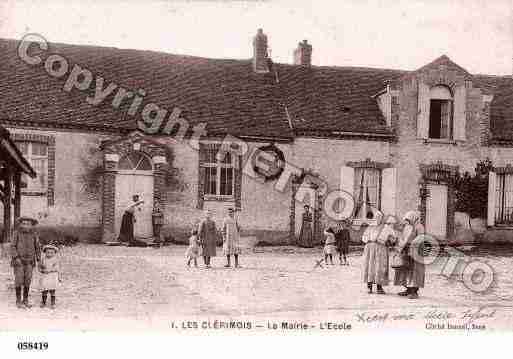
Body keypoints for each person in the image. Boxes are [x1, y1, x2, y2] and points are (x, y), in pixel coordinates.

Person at [393, 210, 426, 299]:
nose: (407, 221)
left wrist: (411, 244)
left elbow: (420, 239)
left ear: (413, 218)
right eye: (406, 219)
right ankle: (407, 289)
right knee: (405, 270)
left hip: (416, 251)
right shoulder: (407, 227)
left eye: (409, 219)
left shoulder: (419, 227)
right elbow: (403, 237)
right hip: (406, 250)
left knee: (415, 271)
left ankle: (414, 292)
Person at [361, 212, 396, 294]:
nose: (378, 218)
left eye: (380, 217)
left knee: (380, 267)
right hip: (370, 248)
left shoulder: (386, 227)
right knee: (370, 267)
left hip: (381, 248)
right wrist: (368, 240)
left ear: (382, 218)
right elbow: (363, 237)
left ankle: (379, 287)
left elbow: (393, 238)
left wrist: (388, 241)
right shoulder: (370, 227)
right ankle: (369, 287)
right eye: (376, 217)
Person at [11, 216, 41, 308]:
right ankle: (18, 300)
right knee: (19, 280)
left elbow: (37, 247)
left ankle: (25, 299)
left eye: (28, 224)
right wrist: (16, 257)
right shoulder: (16, 233)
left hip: (30, 261)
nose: (25, 225)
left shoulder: (34, 234)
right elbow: (13, 246)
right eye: (23, 223)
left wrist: (39, 259)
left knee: (28, 279)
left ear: (32, 225)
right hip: (19, 261)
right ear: (20, 224)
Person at [39, 244, 60, 309]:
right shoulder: (43, 259)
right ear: (45, 252)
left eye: (51, 253)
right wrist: (42, 269)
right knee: (44, 290)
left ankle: (53, 303)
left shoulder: (55, 260)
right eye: (48, 252)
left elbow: (57, 268)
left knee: (52, 290)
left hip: (52, 277)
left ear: (54, 253)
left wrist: (50, 270)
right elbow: (39, 267)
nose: (49, 254)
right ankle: (43, 302)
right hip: (45, 277)